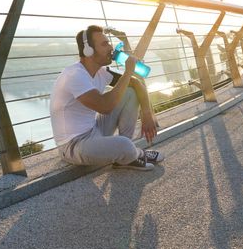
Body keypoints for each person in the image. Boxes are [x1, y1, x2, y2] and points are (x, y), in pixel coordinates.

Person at [49, 25, 164, 171]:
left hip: (94, 130)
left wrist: (147, 113)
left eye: (109, 42)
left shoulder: (101, 72)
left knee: (130, 93)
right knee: (124, 145)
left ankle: (126, 158)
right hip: (73, 145)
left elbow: (137, 83)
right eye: (104, 44)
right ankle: (135, 153)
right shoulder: (75, 75)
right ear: (88, 50)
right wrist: (128, 71)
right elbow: (105, 106)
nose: (111, 48)